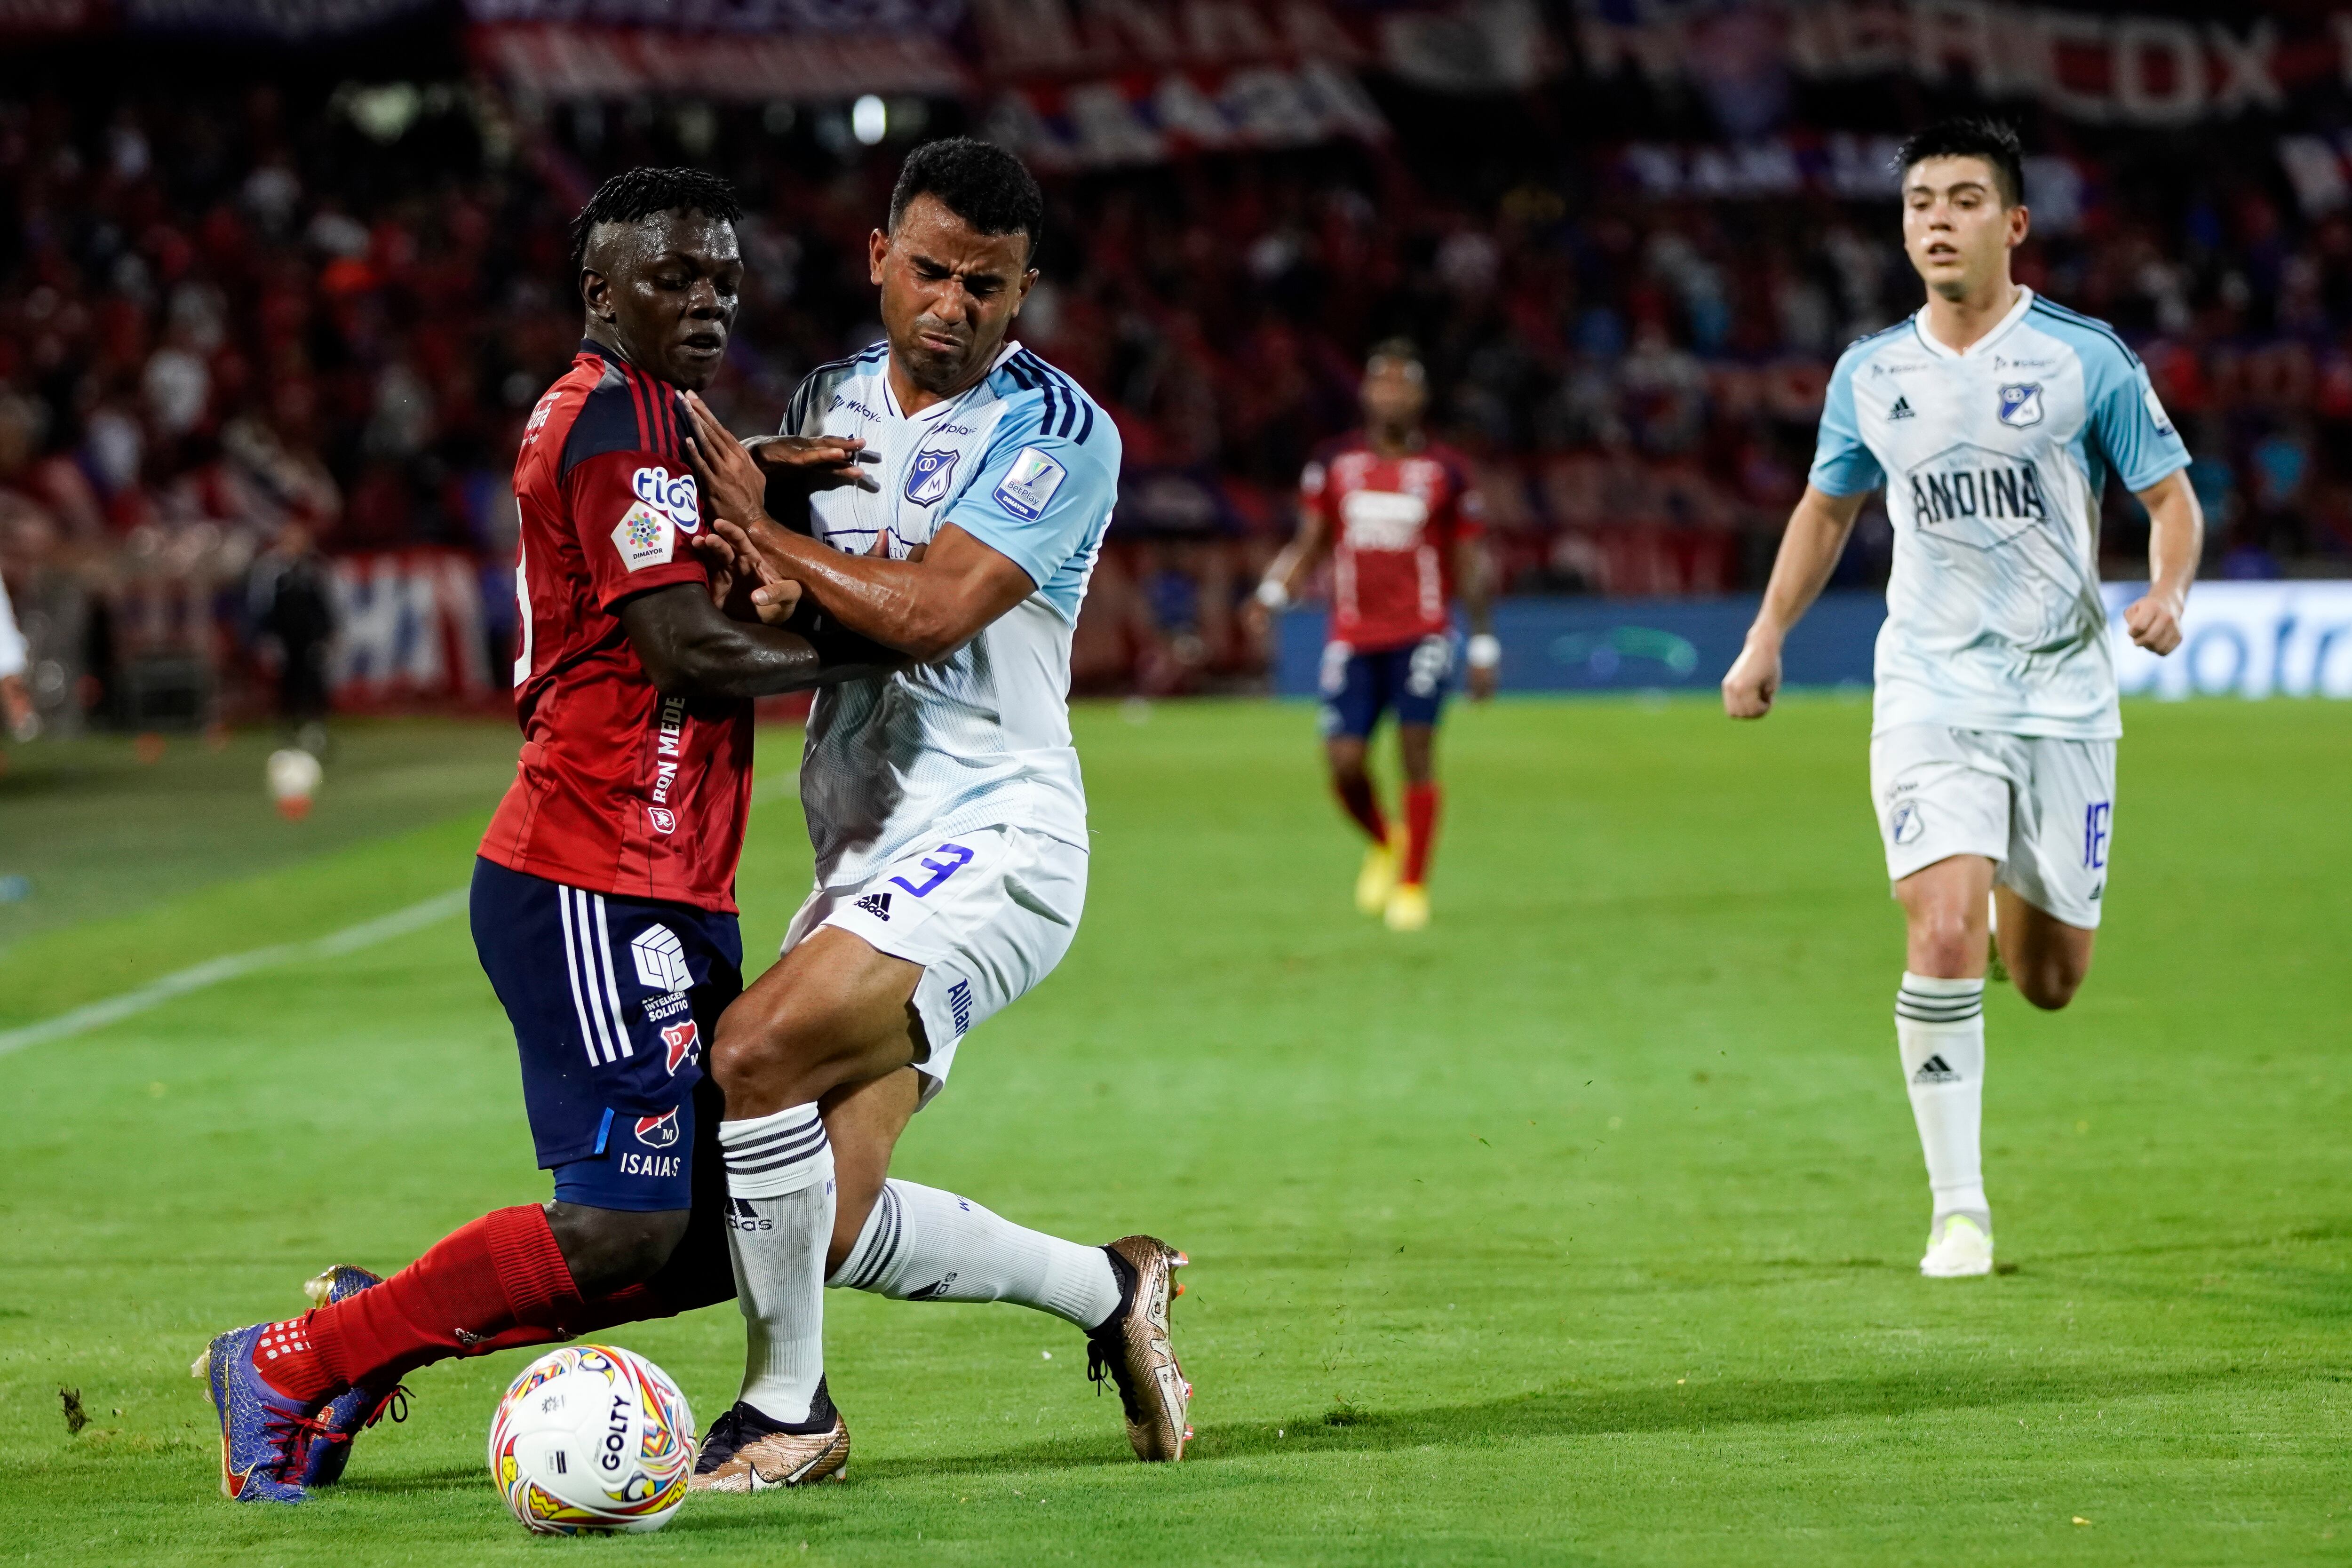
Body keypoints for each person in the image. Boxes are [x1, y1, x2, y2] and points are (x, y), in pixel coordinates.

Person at [194, 167, 889, 1504]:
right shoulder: (617, 415)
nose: (707, 299)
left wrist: (756, 483)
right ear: (599, 291)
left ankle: (367, 1327)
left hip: (667, 880)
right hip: (593, 870)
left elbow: (672, 542)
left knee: (717, 1236)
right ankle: (287, 1362)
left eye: (725, 277)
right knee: (629, 1218)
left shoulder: (649, 418)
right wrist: (891, 641)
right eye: (672, 276)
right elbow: (681, 639)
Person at [672, 136, 1191, 1491]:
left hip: (1003, 835)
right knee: (819, 1219)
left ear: (1024, 295)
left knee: (756, 1050)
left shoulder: (1057, 432)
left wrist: (764, 525)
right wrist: (762, 549)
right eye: (933, 272)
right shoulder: (832, 395)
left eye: (989, 284)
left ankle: (789, 1416)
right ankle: (1111, 1288)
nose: (954, 306)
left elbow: (931, 612)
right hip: (865, 850)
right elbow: (786, 598)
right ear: (878, 259)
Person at [1720, 119, 2201, 1279]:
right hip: (1931, 688)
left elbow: (2171, 501)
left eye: (1964, 199)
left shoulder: (2085, 358)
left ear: (2013, 224)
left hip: (2065, 697)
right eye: (1919, 201)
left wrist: (2169, 590)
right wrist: (1765, 634)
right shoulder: (1869, 373)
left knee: (2048, 982)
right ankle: (1959, 1210)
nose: (1936, 217)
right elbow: (1825, 510)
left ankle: (1995, 909)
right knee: (1936, 928)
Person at [1249, 341, 1495, 932]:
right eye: (1381, 384)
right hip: (1354, 635)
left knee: (1415, 752)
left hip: (1423, 632)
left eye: (1402, 386)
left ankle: (1412, 884)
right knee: (1344, 763)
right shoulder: (1334, 464)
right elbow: (1310, 542)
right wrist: (1271, 594)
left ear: (1420, 398)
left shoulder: (1446, 471)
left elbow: (1469, 561)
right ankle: (1386, 841)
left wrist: (1483, 643)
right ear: (1365, 395)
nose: (1391, 395)